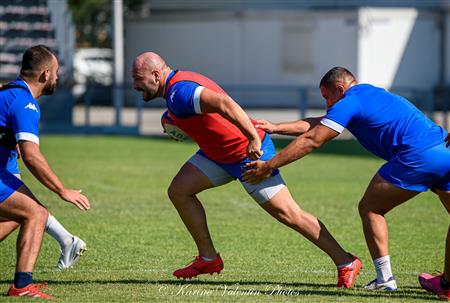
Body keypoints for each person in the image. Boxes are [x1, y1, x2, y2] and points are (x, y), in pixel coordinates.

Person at [132, 52, 362, 287]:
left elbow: (224, 103)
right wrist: (171, 118)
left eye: (138, 79)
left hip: (247, 154)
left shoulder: (180, 91)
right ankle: (208, 258)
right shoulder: (175, 91)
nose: (134, 85)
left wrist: (252, 137)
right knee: (179, 191)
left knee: (289, 214)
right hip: (217, 155)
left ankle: (345, 262)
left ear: (156, 75)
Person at [242, 66, 450, 300]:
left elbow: (313, 139)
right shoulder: (369, 94)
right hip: (445, 148)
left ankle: (385, 279)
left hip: (418, 155)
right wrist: (277, 127)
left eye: (327, 97)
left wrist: (269, 166)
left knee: (371, 208)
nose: (327, 104)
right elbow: (320, 123)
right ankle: (446, 284)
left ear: (340, 89)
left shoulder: (349, 103)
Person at [0, 45, 90, 298]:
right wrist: (62, 190)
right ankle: (22, 286)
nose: (58, 77)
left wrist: (8, 138)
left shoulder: (8, 92)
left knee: (13, 216)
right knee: (36, 214)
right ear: (45, 74)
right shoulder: (26, 103)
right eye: (57, 72)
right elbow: (32, 156)